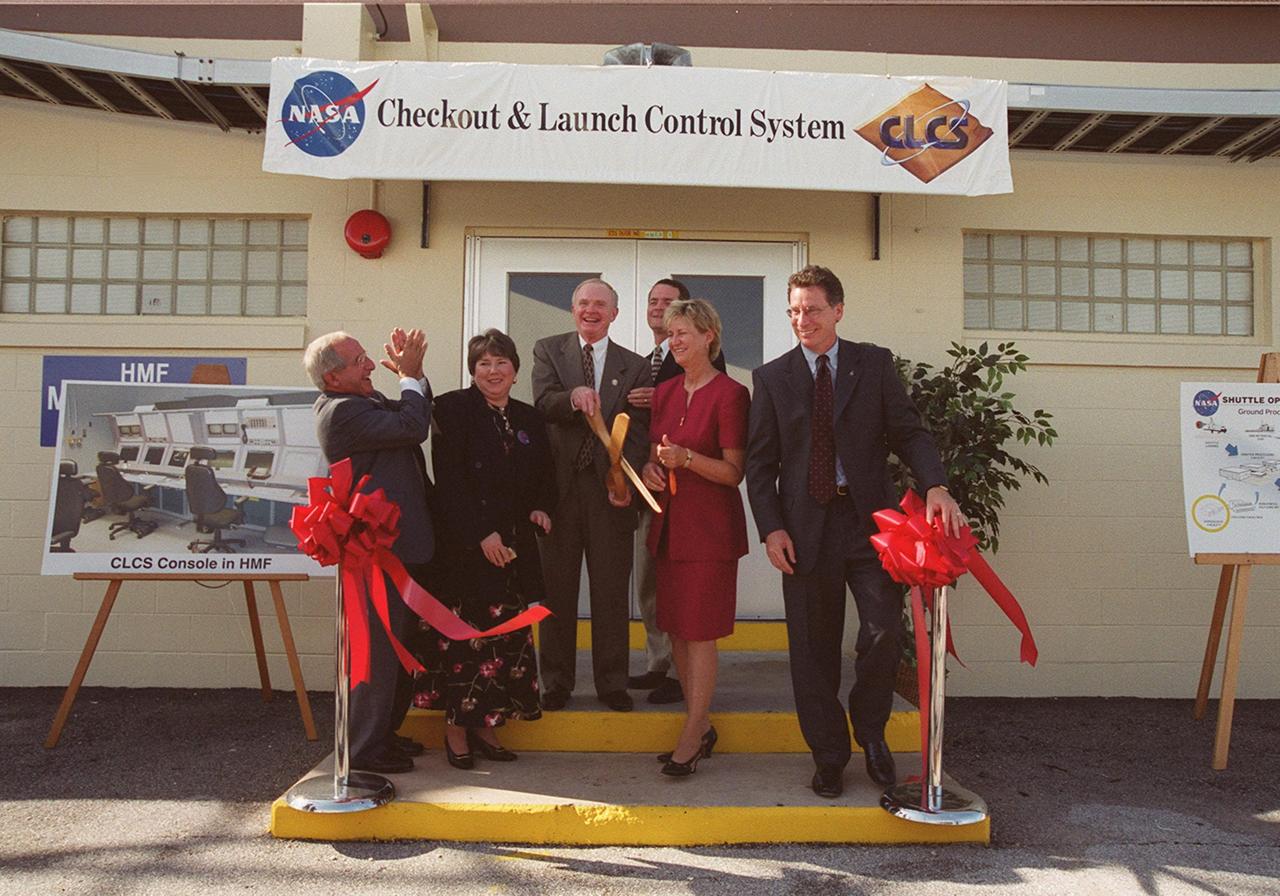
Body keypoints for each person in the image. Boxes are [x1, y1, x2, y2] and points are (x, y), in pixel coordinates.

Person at [745, 265, 965, 799]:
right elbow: (760, 464)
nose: (803, 320)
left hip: (870, 525)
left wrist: (934, 484)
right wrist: (771, 529)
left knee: (883, 632)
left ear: (838, 311)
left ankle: (871, 732)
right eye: (794, 311)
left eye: (813, 309)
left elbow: (908, 430)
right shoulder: (773, 377)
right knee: (812, 649)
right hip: (803, 529)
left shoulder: (873, 364)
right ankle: (828, 754)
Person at [415, 329, 555, 769]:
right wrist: (482, 535)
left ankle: (487, 726)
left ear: (515, 371)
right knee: (465, 643)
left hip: (514, 551)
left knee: (503, 645)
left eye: (501, 363)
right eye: (483, 364)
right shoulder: (453, 409)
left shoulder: (530, 417)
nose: (493, 371)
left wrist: (541, 508)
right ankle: (456, 730)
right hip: (465, 550)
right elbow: (450, 481)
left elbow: (544, 477)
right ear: (473, 371)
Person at [306, 327, 435, 775]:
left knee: (396, 649)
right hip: (375, 553)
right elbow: (413, 425)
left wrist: (413, 378)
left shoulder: (361, 402)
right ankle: (363, 749)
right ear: (332, 376)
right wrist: (410, 376)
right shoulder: (341, 413)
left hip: (398, 548)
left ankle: (383, 735)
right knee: (376, 654)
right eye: (359, 359)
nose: (368, 365)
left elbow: (410, 410)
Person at [532, 278, 651, 712]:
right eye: (584, 302)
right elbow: (542, 403)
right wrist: (572, 397)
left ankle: (612, 683)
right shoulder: (548, 350)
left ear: (615, 314)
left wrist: (625, 484)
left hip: (609, 493)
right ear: (572, 308)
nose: (591, 310)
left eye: (601, 304)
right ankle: (557, 682)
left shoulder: (635, 366)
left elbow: (638, 432)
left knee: (610, 592)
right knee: (557, 592)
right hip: (560, 493)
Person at [641, 299, 749, 776]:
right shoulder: (663, 393)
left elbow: (733, 471)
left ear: (710, 336)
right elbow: (653, 457)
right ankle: (697, 722)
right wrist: (652, 471)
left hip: (710, 533)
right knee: (678, 632)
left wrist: (687, 461)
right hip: (668, 528)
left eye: (683, 332)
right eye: (670, 333)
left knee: (700, 633)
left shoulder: (730, 394)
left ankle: (694, 727)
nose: (675, 341)